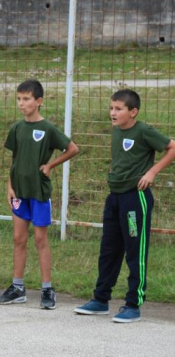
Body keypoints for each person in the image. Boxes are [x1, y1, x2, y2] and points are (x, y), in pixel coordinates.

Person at [74, 89, 175, 323]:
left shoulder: (144, 131)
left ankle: (133, 304)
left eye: (118, 108)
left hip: (134, 199)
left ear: (133, 111)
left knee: (134, 251)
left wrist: (151, 172)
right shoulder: (117, 131)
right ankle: (100, 300)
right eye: (111, 108)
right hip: (114, 198)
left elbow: (172, 147)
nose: (113, 112)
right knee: (108, 250)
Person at [0, 79, 79, 309]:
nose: (21, 104)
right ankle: (18, 288)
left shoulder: (48, 128)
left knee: (41, 239)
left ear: (39, 101)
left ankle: (47, 289)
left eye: (26, 99)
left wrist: (51, 165)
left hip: (39, 192)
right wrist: (9, 186)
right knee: (18, 238)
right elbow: (13, 161)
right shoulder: (17, 128)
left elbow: (72, 149)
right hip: (19, 192)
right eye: (19, 99)